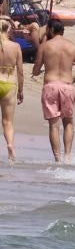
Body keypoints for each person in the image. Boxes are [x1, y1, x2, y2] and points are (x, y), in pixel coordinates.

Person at [32, 18, 75, 163]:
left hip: (51, 85)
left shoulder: (45, 47)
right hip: (67, 86)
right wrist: (73, 80)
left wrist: (38, 71)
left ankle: (58, 159)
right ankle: (68, 156)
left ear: (51, 30)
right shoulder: (72, 46)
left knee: (54, 124)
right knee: (68, 122)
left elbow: (36, 69)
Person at [0, 17, 21, 160]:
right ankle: (9, 145)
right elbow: (20, 71)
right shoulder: (15, 47)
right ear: (8, 30)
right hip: (9, 83)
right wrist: (21, 91)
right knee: (8, 121)